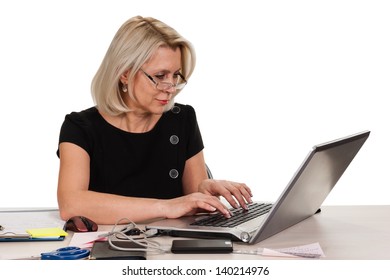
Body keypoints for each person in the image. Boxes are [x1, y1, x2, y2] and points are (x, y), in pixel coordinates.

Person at [57, 15, 252, 225]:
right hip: (112, 249)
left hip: (171, 249)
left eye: (176, 75)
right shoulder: (80, 127)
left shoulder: (182, 119)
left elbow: (193, 204)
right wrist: (166, 206)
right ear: (125, 73)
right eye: (160, 76)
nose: (171, 88)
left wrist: (204, 191)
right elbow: (71, 204)